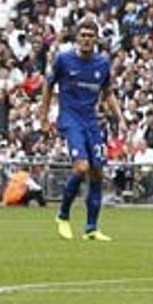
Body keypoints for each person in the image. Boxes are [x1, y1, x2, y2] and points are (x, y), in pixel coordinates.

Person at [40, 15, 121, 242]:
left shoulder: (102, 63)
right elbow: (48, 86)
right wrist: (43, 118)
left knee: (97, 172)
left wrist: (120, 117)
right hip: (69, 118)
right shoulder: (63, 60)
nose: (86, 39)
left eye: (90, 36)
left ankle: (91, 228)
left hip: (91, 121)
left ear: (96, 39)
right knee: (81, 167)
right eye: (83, 35)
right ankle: (63, 214)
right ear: (77, 37)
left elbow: (108, 93)